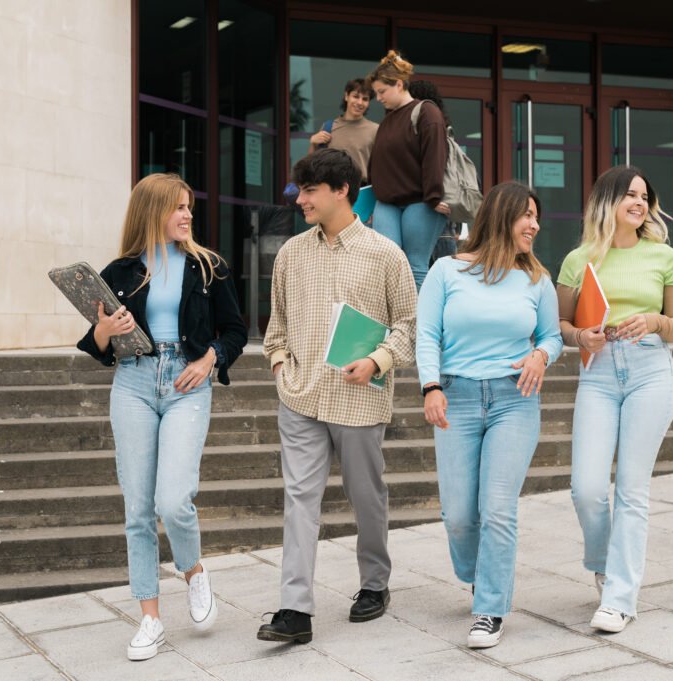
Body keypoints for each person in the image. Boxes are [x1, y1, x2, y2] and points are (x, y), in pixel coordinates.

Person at [76, 173, 247, 661]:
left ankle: (192, 570)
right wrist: (106, 329)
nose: (187, 215)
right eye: (177, 207)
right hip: (133, 381)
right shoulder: (120, 271)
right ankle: (150, 617)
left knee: (173, 499)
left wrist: (209, 358)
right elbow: (98, 346)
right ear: (152, 212)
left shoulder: (208, 266)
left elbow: (234, 332)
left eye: (189, 206)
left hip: (186, 382)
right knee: (137, 508)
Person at [258, 148, 417, 644]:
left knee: (366, 497)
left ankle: (375, 583)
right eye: (300, 189)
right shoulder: (290, 254)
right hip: (301, 397)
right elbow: (276, 326)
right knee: (299, 499)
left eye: (309, 190)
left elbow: (409, 327)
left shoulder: (386, 254)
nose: (299, 199)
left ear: (342, 190)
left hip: (360, 401)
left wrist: (377, 361)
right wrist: (281, 365)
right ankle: (295, 610)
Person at [417, 181, 563, 649]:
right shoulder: (446, 271)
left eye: (537, 217)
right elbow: (427, 335)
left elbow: (552, 336)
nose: (536, 225)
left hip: (514, 399)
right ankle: (481, 575)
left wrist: (541, 354)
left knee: (497, 510)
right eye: (528, 216)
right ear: (502, 216)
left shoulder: (537, 279)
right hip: (455, 395)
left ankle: (490, 609)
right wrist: (431, 386)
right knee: (460, 515)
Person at [556, 165, 673, 634]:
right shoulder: (578, 260)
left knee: (632, 490)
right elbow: (562, 327)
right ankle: (603, 559)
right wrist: (581, 338)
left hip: (650, 371)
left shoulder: (664, 257)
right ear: (606, 201)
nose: (639, 202)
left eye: (644, 196)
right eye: (629, 195)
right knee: (587, 488)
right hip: (598, 373)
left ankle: (619, 597)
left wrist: (652, 321)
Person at [367, 51, 449, 288]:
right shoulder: (387, 121)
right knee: (387, 266)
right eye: (376, 93)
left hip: (421, 201)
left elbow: (435, 157)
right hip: (387, 203)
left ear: (399, 84)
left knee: (415, 266)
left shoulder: (426, 112)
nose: (378, 98)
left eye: (382, 92)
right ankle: (391, 324)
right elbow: (378, 165)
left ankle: (417, 325)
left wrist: (433, 196)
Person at [406, 79, 460, 263]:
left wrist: (431, 197)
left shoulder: (428, 129)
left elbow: (431, 168)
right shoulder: (443, 129)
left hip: (430, 207)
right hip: (442, 211)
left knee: (422, 270)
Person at [307, 77, 378, 185]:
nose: (360, 102)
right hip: (332, 188)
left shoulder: (375, 130)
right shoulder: (328, 127)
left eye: (365, 99)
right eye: (355, 96)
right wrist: (313, 142)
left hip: (362, 190)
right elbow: (312, 164)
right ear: (346, 96)